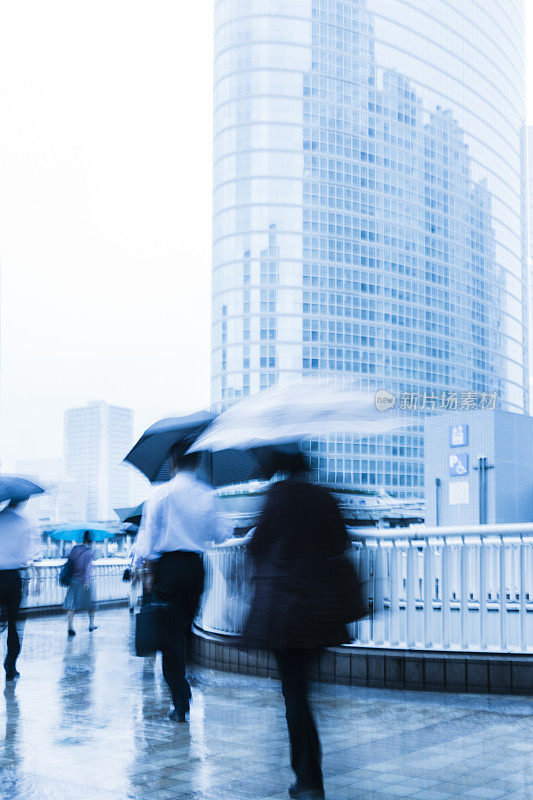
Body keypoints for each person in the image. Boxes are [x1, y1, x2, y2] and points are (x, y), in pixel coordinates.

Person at [242, 451, 354, 800]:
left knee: (295, 696)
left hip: (285, 616)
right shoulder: (323, 496)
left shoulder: (277, 498)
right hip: (321, 614)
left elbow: (256, 548)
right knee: (303, 694)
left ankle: (308, 779)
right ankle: (308, 776)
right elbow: (342, 542)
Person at [132, 448, 228, 722]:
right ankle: (186, 682)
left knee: (169, 637)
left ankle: (181, 700)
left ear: (172, 461)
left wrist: (147, 574)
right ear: (197, 461)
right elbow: (222, 533)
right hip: (196, 569)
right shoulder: (208, 495)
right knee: (186, 628)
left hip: (169, 570)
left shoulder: (161, 494)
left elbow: (148, 541)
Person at [0, 500, 42, 681]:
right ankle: (10, 666)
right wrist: (38, 580)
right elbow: (34, 554)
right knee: (13, 623)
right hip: (13, 577)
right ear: (21, 502)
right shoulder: (25, 523)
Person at [64, 531, 97, 636]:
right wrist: (87, 581)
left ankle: (70, 626)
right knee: (90, 603)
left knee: (71, 604)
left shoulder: (75, 549)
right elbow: (88, 568)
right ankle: (91, 624)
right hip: (84, 581)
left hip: (73, 580)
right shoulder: (90, 552)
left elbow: (69, 561)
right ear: (91, 540)